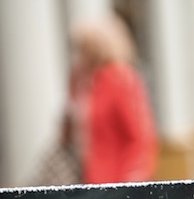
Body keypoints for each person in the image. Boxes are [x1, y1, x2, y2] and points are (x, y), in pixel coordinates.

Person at [63, 15, 158, 184]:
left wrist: (131, 182)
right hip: (81, 175)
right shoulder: (79, 80)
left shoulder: (121, 79)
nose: (77, 55)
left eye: (83, 48)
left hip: (115, 180)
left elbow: (140, 137)